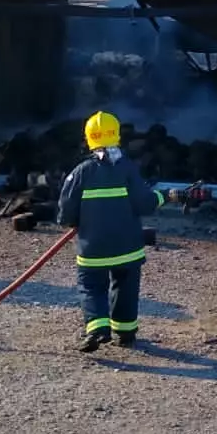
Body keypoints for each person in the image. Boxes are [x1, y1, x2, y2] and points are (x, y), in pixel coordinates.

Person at [57, 111, 175, 352]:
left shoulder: (81, 172)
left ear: (89, 139)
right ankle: (125, 334)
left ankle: (98, 329)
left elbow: (66, 208)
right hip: (127, 248)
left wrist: (69, 221)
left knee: (91, 286)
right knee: (126, 288)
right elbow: (144, 203)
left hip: (93, 248)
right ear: (117, 137)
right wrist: (165, 197)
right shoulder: (128, 169)